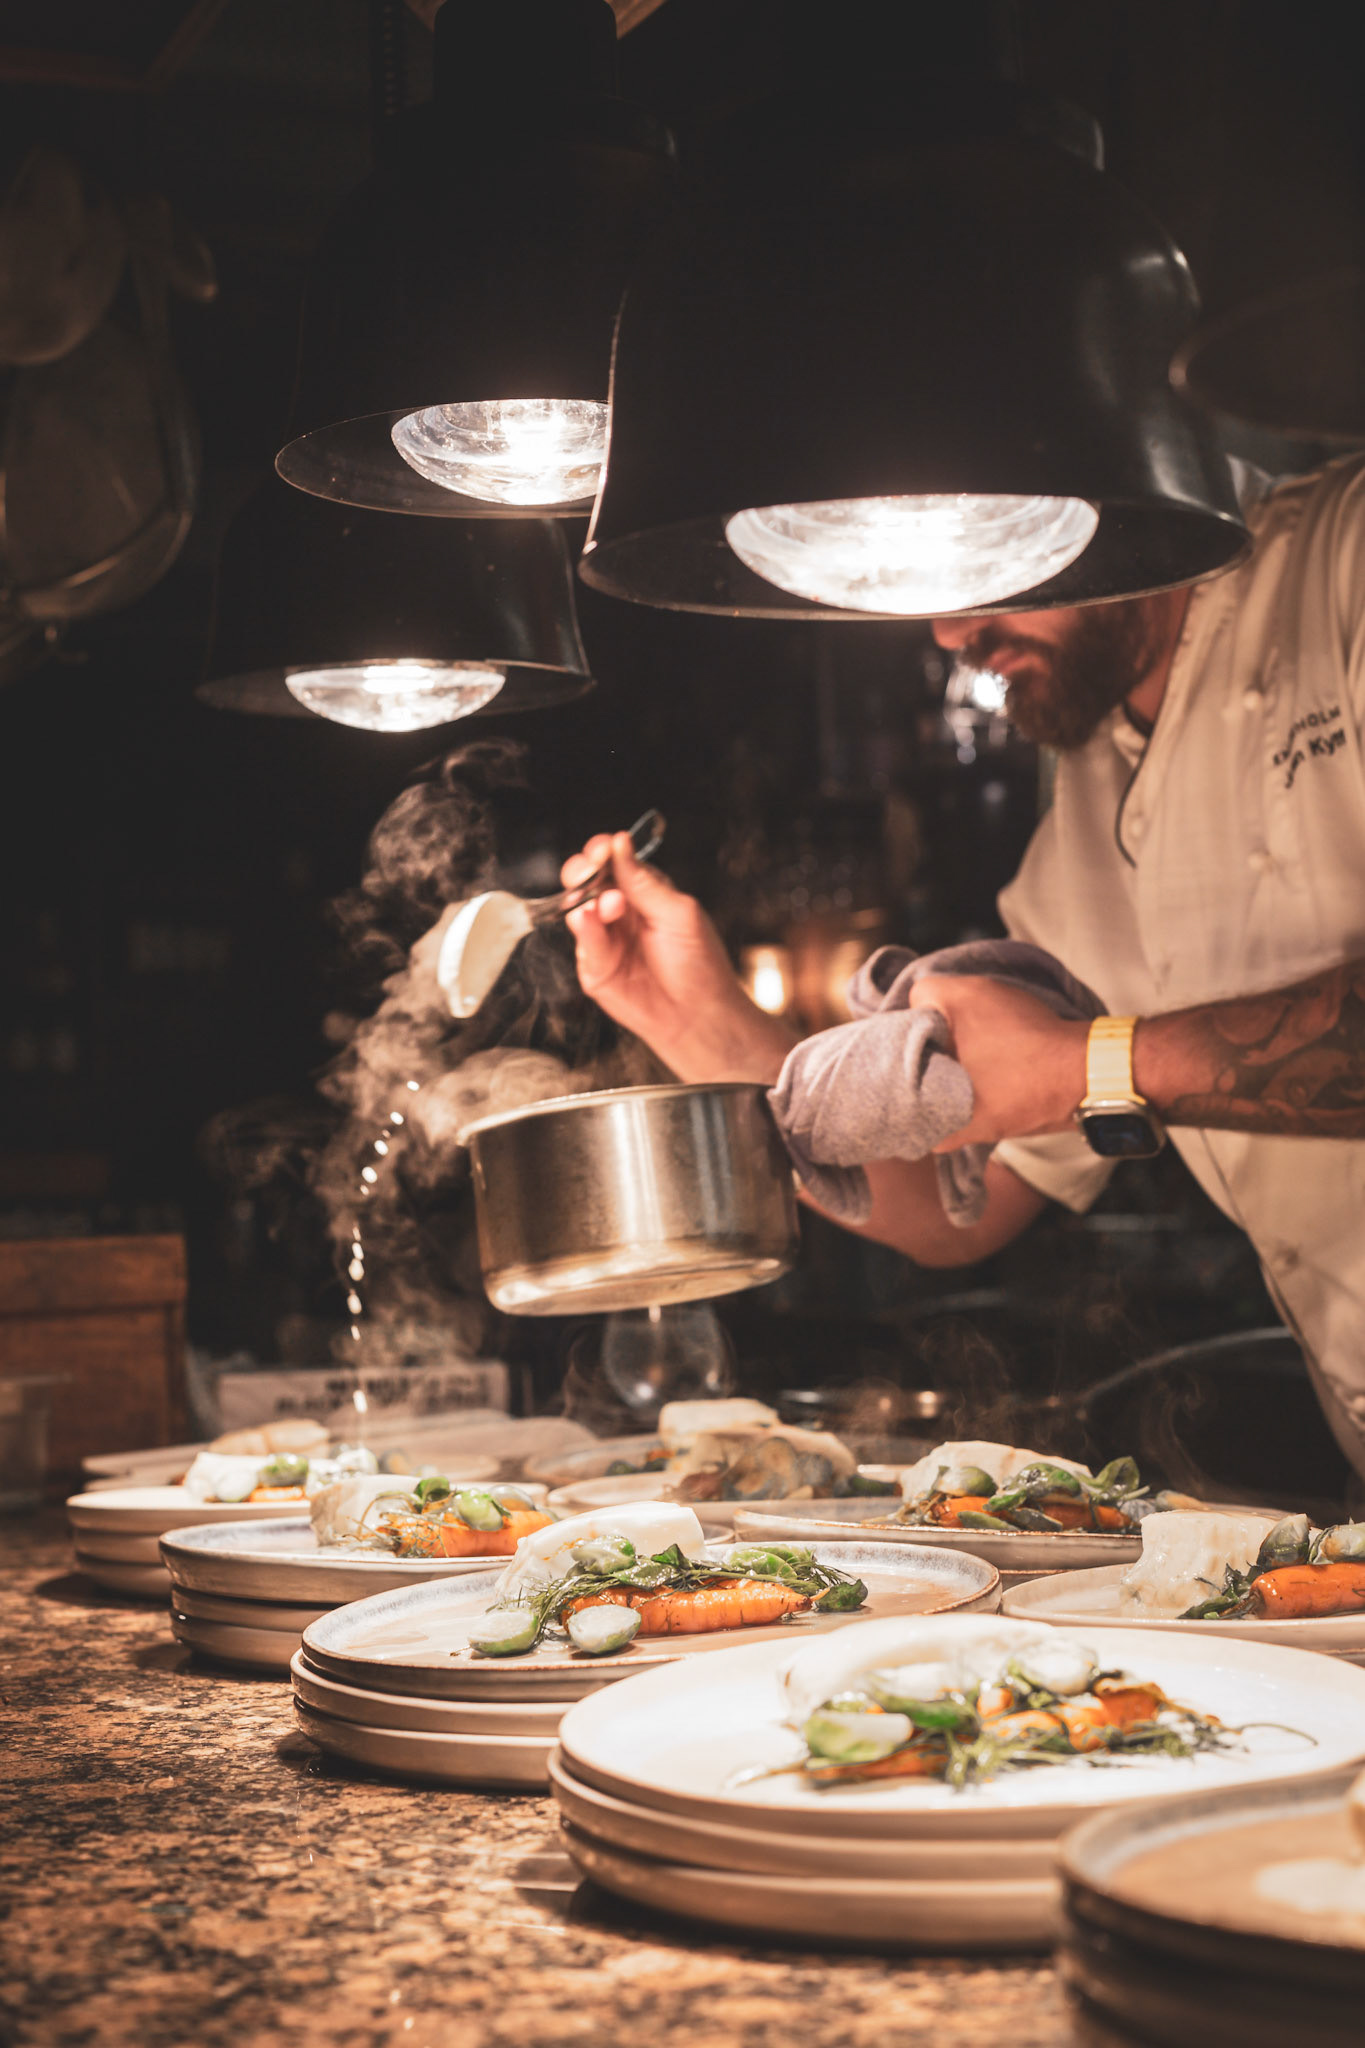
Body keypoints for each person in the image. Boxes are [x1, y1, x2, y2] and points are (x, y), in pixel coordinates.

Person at [562, 452, 1365, 1474]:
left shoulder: (1345, 555)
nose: (949, 632)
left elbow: (1075, 1068)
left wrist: (1091, 1063)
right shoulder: (1083, 820)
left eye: (989, 556)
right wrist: (698, 1021)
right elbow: (961, 1201)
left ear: (1116, 476)